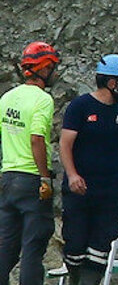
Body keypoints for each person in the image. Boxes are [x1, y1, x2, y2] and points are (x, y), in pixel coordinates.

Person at [59, 54, 118, 285]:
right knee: (75, 246)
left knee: (100, 249)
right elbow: (65, 143)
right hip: (80, 190)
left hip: (110, 192)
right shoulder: (80, 106)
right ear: (112, 82)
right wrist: (72, 175)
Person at [0, 42, 59, 285]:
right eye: (53, 67)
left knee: (5, 247)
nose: (55, 72)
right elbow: (36, 139)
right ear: (43, 69)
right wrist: (45, 178)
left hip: (8, 178)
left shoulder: (7, 97)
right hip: (32, 180)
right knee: (33, 247)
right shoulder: (43, 100)